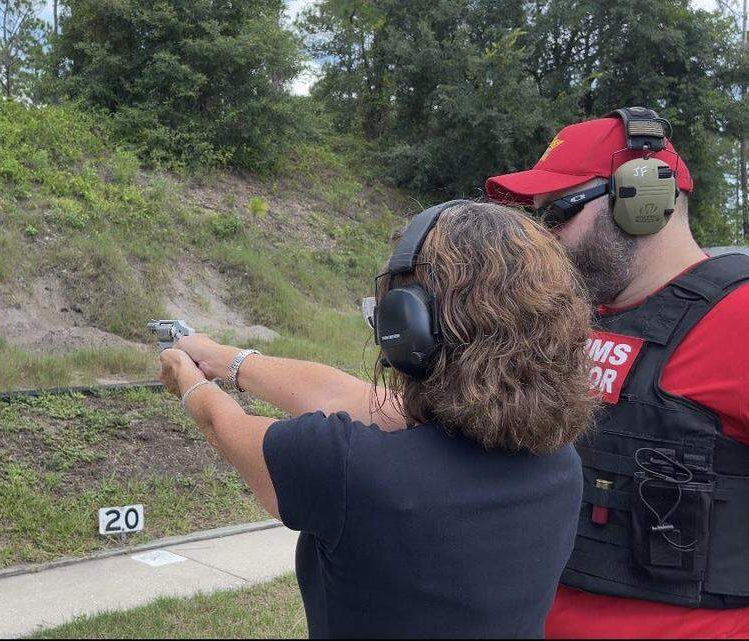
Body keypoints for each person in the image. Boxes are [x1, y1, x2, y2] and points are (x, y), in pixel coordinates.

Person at [159, 200, 597, 638]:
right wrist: (221, 356)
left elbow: (224, 426)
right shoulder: (561, 465)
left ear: (407, 327)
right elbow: (343, 395)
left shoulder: (350, 469)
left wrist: (188, 379)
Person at [486, 107, 749, 638]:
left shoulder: (739, 319)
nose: (542, 240)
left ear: (642, 200)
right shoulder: (567, 321)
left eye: (557, 215)